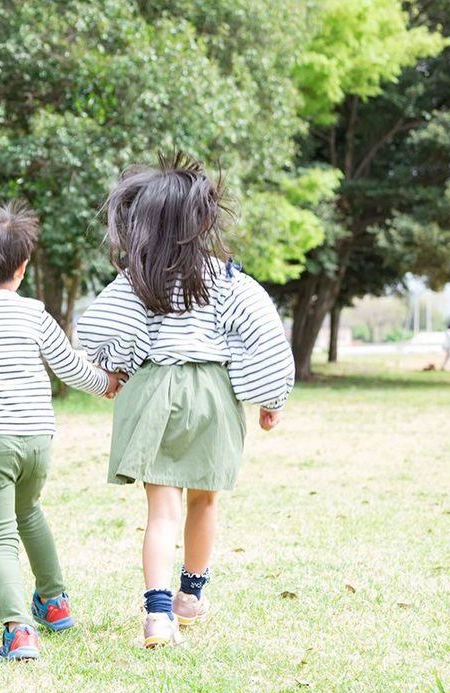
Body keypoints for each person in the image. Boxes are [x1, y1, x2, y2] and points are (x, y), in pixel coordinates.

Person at [76, 154, 295, 649]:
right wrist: (271, 397)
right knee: (206, 496)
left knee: (162, 511)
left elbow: (95, 329)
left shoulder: (137, 279)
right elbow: (264, 335)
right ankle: (190, 597)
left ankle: (156, 617)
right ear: (202, 221)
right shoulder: (228, 278)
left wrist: (113, 366)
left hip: (154, 392)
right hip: (213, 395)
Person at [0, 199, 121, 661]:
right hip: (36, 439)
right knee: (29, 513)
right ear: (23, 266)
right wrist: (107, 384)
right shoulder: (34, 313)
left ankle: (18, 629)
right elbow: (71, 368)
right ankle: (54, 603)